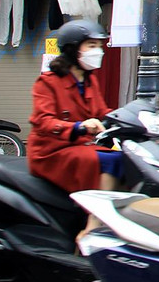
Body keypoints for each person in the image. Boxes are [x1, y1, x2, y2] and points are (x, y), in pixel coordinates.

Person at [27, 20, 120, 237]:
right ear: (72, 48)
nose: (98, 51)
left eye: (99, 45)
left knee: (126, 160)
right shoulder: (47, 82)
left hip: (79, 146)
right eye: (91, 45)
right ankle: (93, 226)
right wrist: (78, 126)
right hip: (50, 151)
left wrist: (132, 118)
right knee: (107, 160)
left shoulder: (89, 81)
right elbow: (43, 121)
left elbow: (101, 111)